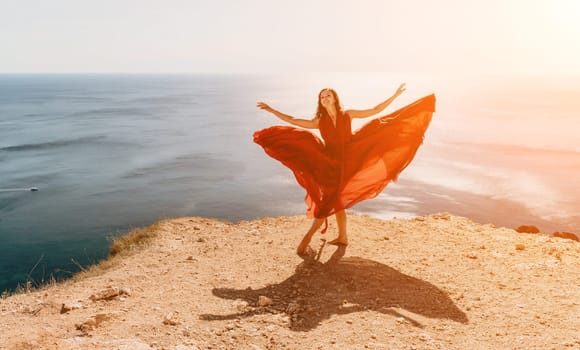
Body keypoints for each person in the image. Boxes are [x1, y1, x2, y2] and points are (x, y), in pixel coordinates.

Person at [254, 84, 435, 255]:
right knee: (334, 199)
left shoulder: (347, 114)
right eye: (321, 97)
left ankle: (307, 240)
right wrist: (272, 110)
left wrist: (394, 95)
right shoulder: (319, 121)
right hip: (330, 163)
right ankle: (342, 237)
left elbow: (375, 110)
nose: (324, 98)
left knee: (332, 199)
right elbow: (293, 120)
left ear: (334, 98)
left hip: (349, 159)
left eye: (328, 95)